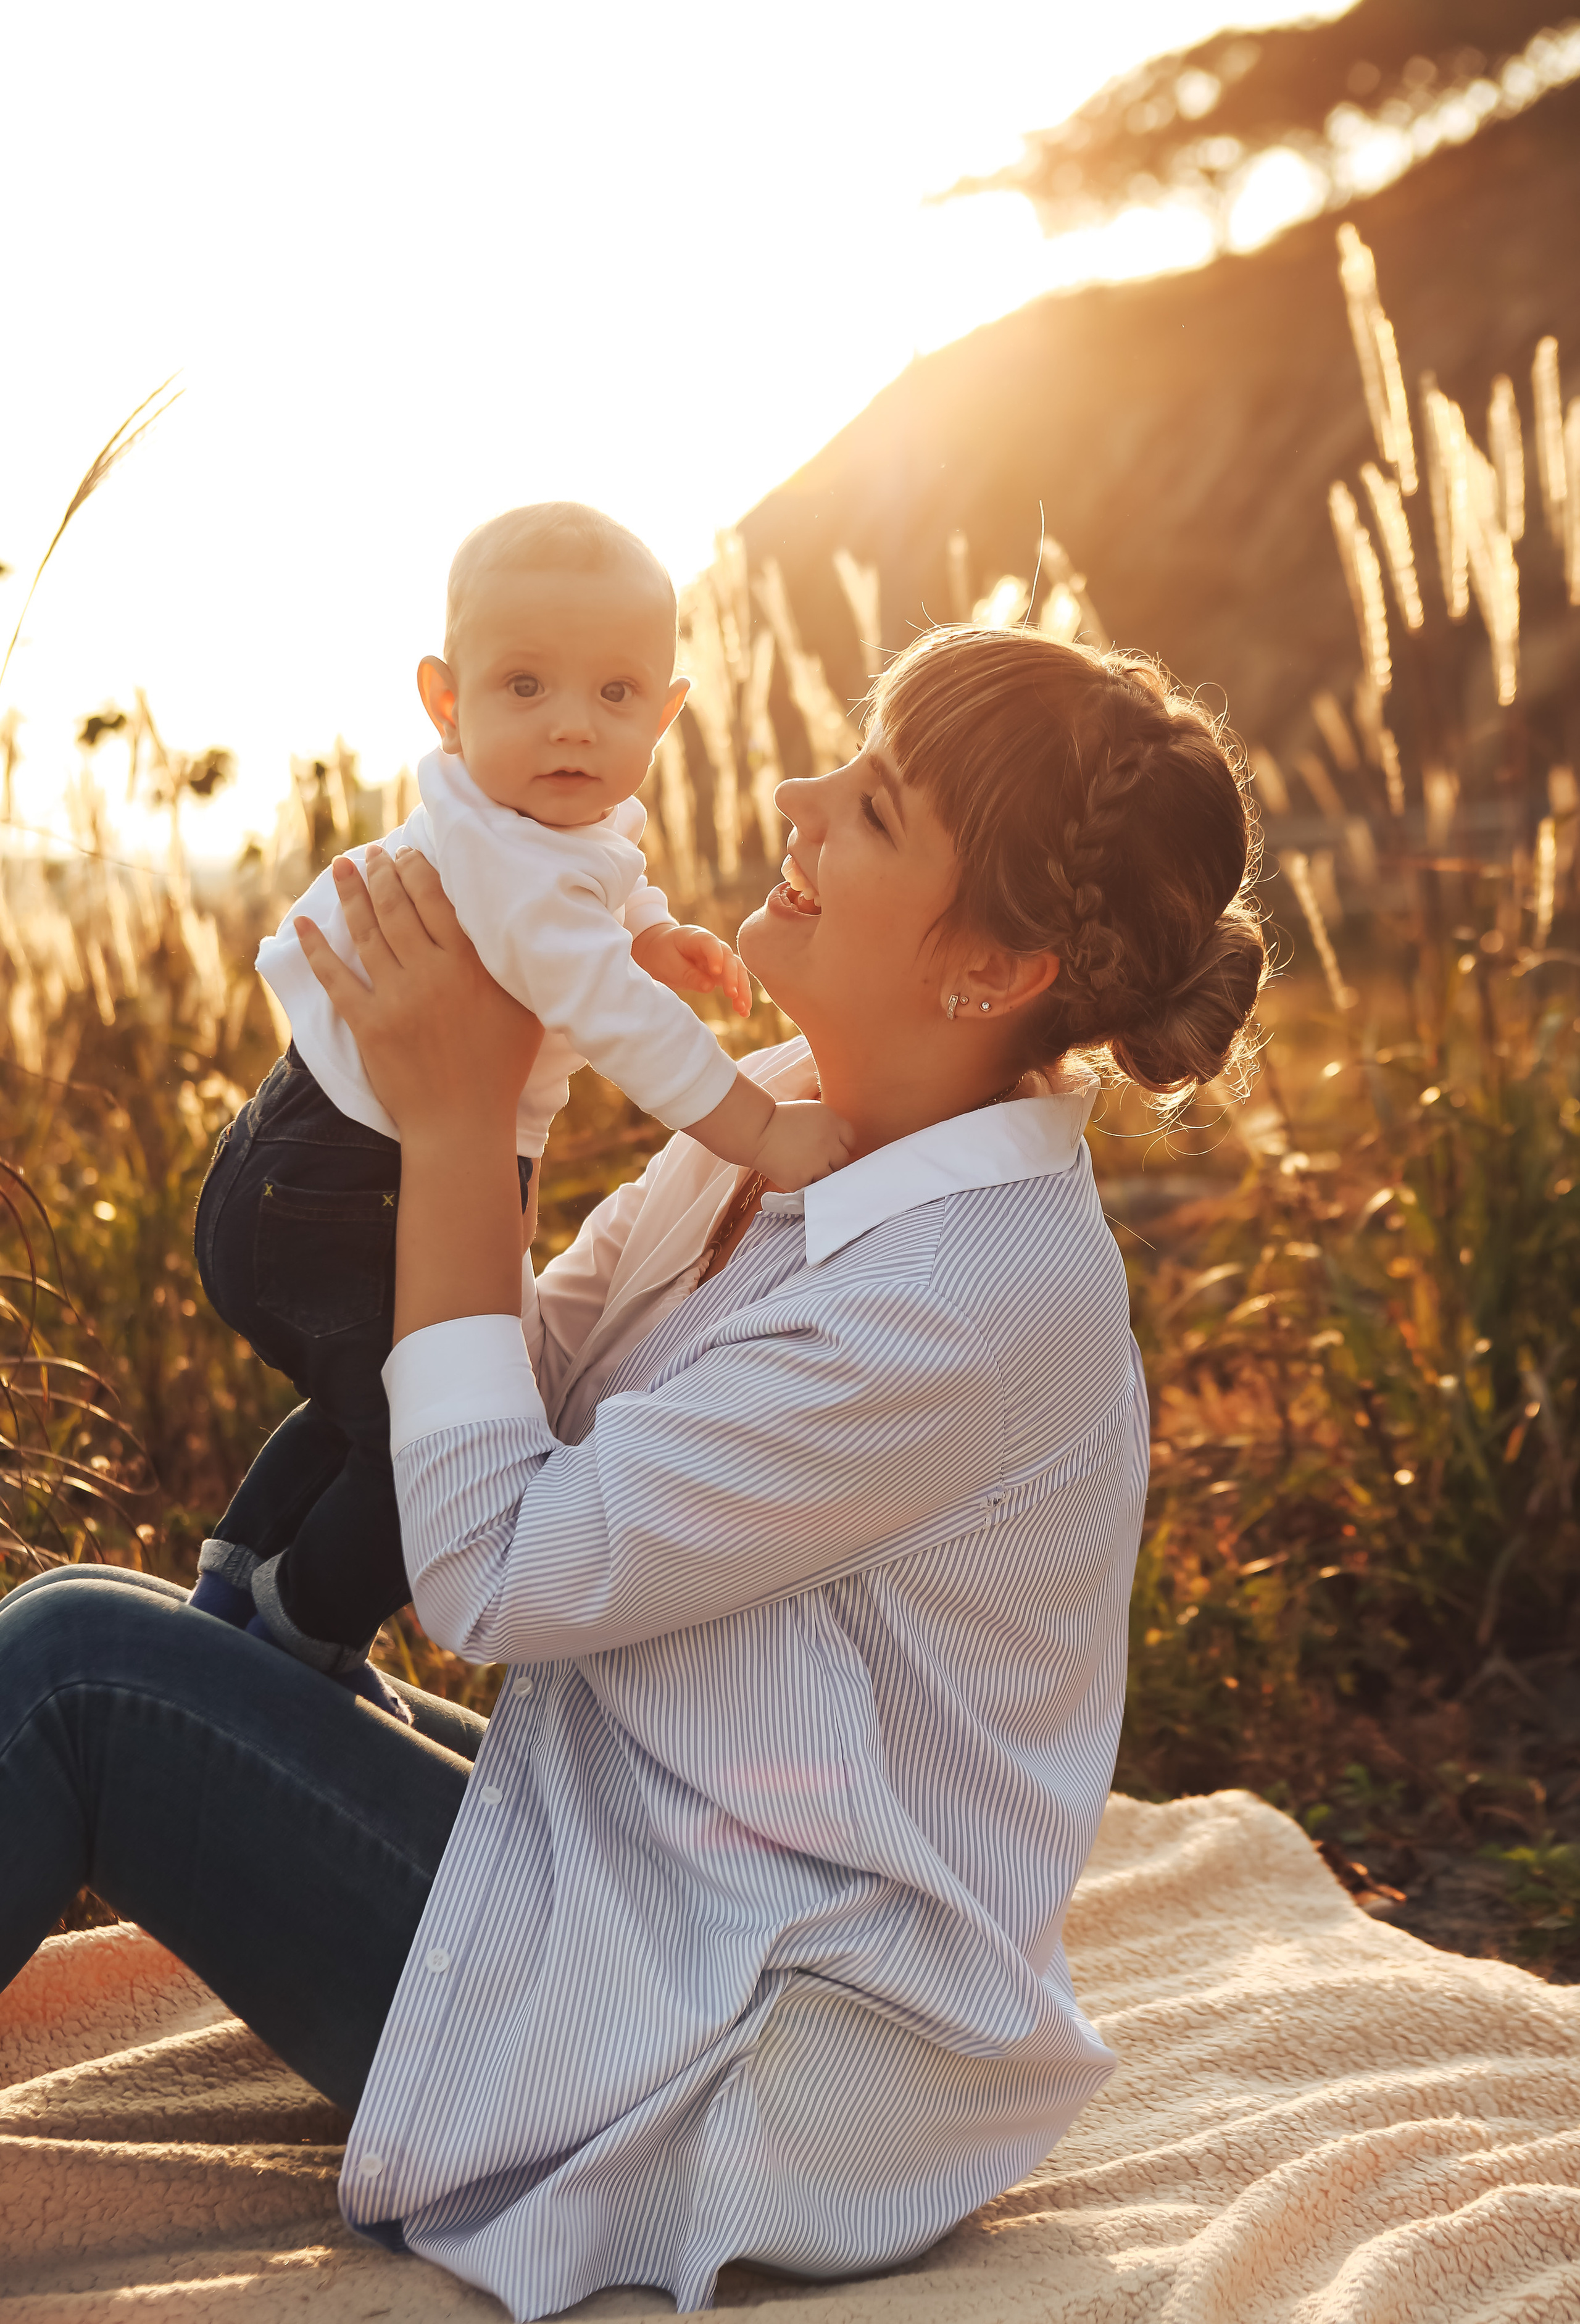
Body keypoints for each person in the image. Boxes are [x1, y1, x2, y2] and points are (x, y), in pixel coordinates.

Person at [0, 625, 1266, 2322]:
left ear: (994, 971)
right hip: (656, 1860)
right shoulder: (785, 1105)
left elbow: (492, 1574)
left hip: (740, 2030)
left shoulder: (965, 1298)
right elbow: (524, 1375)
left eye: (874, 809)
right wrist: (477, 1067)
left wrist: (458, 1134)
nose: (799, 799)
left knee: (84, 1675)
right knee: (170, 1639)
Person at [188, 502, 850, 1711]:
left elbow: (602, 896)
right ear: (445, 701)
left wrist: (654, 932)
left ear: (664, 713)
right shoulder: (501, 854)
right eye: (525, 685)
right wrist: (755, 1130)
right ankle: (298, 1643)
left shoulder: (540, 826)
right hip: (337, 1183)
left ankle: (235, 1582)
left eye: (611, 697)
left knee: (382, 1399)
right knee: (421, 1444)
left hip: (315, 1166)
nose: (568, 727)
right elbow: (595, 1000)